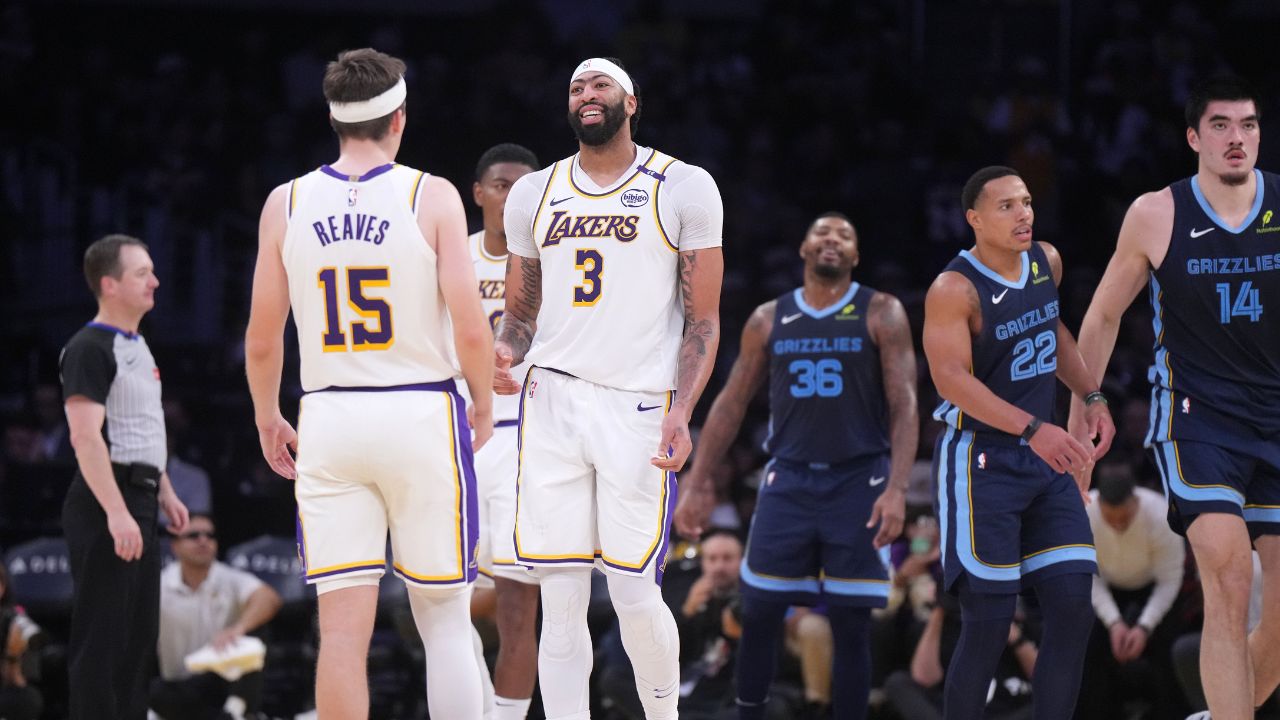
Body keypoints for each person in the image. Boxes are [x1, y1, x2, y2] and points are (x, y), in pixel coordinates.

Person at [245, 48, 493, 719]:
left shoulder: (285, 202)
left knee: (342, 636)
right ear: (399, 119)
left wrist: (268, 415)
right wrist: (485, 402)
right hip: (419, 410)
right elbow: (472, 329)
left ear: (334, 120)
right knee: (444, 622)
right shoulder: (431, 194)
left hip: (329, 416)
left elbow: (264, 337)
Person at [495, 56, 724, 720]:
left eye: (599, 85)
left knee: (631, 589)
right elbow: (519, 314)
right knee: (560, 597)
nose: (585, 95)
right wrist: (506, 353)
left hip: (639, 404)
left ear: (631, 101)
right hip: (553, 402)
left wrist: (684, 410)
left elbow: (703, 319)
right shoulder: (533, 192)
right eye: (575, 87)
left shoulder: (682, 185)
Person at [1069, 75, 1280, 720]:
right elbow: (1102, 318)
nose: (1235, 138)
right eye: (1220, 125)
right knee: (1228, 579)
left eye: (1247, 125)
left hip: (1275, 417)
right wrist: (1086, 406)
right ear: (1194, 137)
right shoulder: (1157, 213)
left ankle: (1221, 714)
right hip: (1198, 420)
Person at [675, 211, 919, 719]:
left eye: (845, 236)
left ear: (855, 256)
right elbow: (732, 401)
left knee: (852, 624)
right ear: (804, 249)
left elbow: (905, 404)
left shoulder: (882, 311)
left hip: (859, 478)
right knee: (759, 611)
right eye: (822, 233)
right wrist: (698, 483)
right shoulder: (769, 317)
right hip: (789, 479)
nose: (833, 240)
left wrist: (897, 487)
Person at [921, 166, 1114, 720]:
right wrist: (1033, 428)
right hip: (981, 461)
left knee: (1074, 607)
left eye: (1027, 202)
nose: (1023, 214)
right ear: (975, 220)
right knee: (989, 622)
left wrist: (1092, 395)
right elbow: (952, 380)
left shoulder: (1044, 262)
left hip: (1044, 458)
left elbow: (1051, 331)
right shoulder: (953, 289)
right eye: (1006, 206)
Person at [60, 233, 190, 720]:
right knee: (103, 641)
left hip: (139, 498)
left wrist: (166, 492)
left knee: (138, 643)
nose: (155, 281)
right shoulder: (89, 347)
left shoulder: (136, 344)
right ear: (109, 284)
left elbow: (143, 429)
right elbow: (85, 438)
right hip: (105, 502)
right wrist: (116, 512)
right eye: (142, 273)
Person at [465, 142, 542, 720]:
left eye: (524, 184)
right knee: (441, 599)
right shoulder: (451, 259)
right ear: (479, 193)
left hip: (530, 443)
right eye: (500, 183)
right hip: (461, 437)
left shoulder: (558, 264)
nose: (512, 194)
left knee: (521, 609)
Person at [1075, 464, 1187, 720]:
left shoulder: (1160, 514)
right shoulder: (1085, 513)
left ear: (1135, 500)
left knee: (1172, 654)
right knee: (1085, 650)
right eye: (1110, 519)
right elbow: (1088, 576)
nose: (1117, 527)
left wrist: (1144, 627)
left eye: (1124, 519)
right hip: (1105, 589)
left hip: (1154, 587)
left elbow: (1169, 581)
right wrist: (1114, 623)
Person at [152, 514, 283, 720]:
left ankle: (237, 710)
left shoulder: (228, 577)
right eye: (193, 535)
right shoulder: (159, 586)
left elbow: (269, 598)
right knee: (155, 691)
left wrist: (237, 628)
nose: (203, 540)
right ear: (175, 546)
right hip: (179, 687)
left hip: (223, 681)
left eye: (209, 535)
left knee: (257, 629)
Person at [0, 563, 42, 720]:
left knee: (27, 698)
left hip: (6, 690)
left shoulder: (15, 622)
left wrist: (13, 655)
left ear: (2, 588)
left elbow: (18, 683)